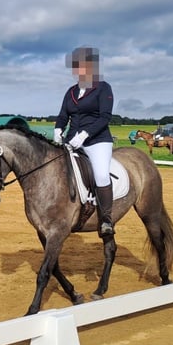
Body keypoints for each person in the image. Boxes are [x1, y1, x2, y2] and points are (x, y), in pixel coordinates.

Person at [53, 46, 115, 237]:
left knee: (102, 175)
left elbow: (104, 117)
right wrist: (57, 129)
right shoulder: (71, 91)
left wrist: (85, 134)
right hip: (72, 141)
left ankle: (106, 220)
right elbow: (63, 115)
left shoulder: (103, 88)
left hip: (97, 141)